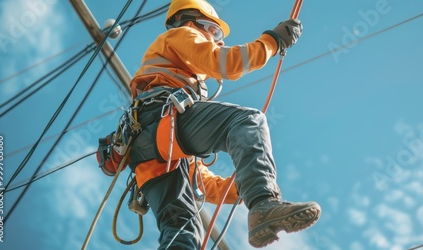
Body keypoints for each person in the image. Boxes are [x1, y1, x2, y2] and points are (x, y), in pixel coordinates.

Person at [125, 0, 321, 248]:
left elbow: (204, 183)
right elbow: (226, 63)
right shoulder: (181, 33)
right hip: (160, 123)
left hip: (149, 154)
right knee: (247, 121)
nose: (217, 40)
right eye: (213, 30)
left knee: (182, 234)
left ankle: (258, 199)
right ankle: (263, 203)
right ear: (190, 20)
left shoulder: (176, 100)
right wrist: (273, 41)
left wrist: (242, 182)